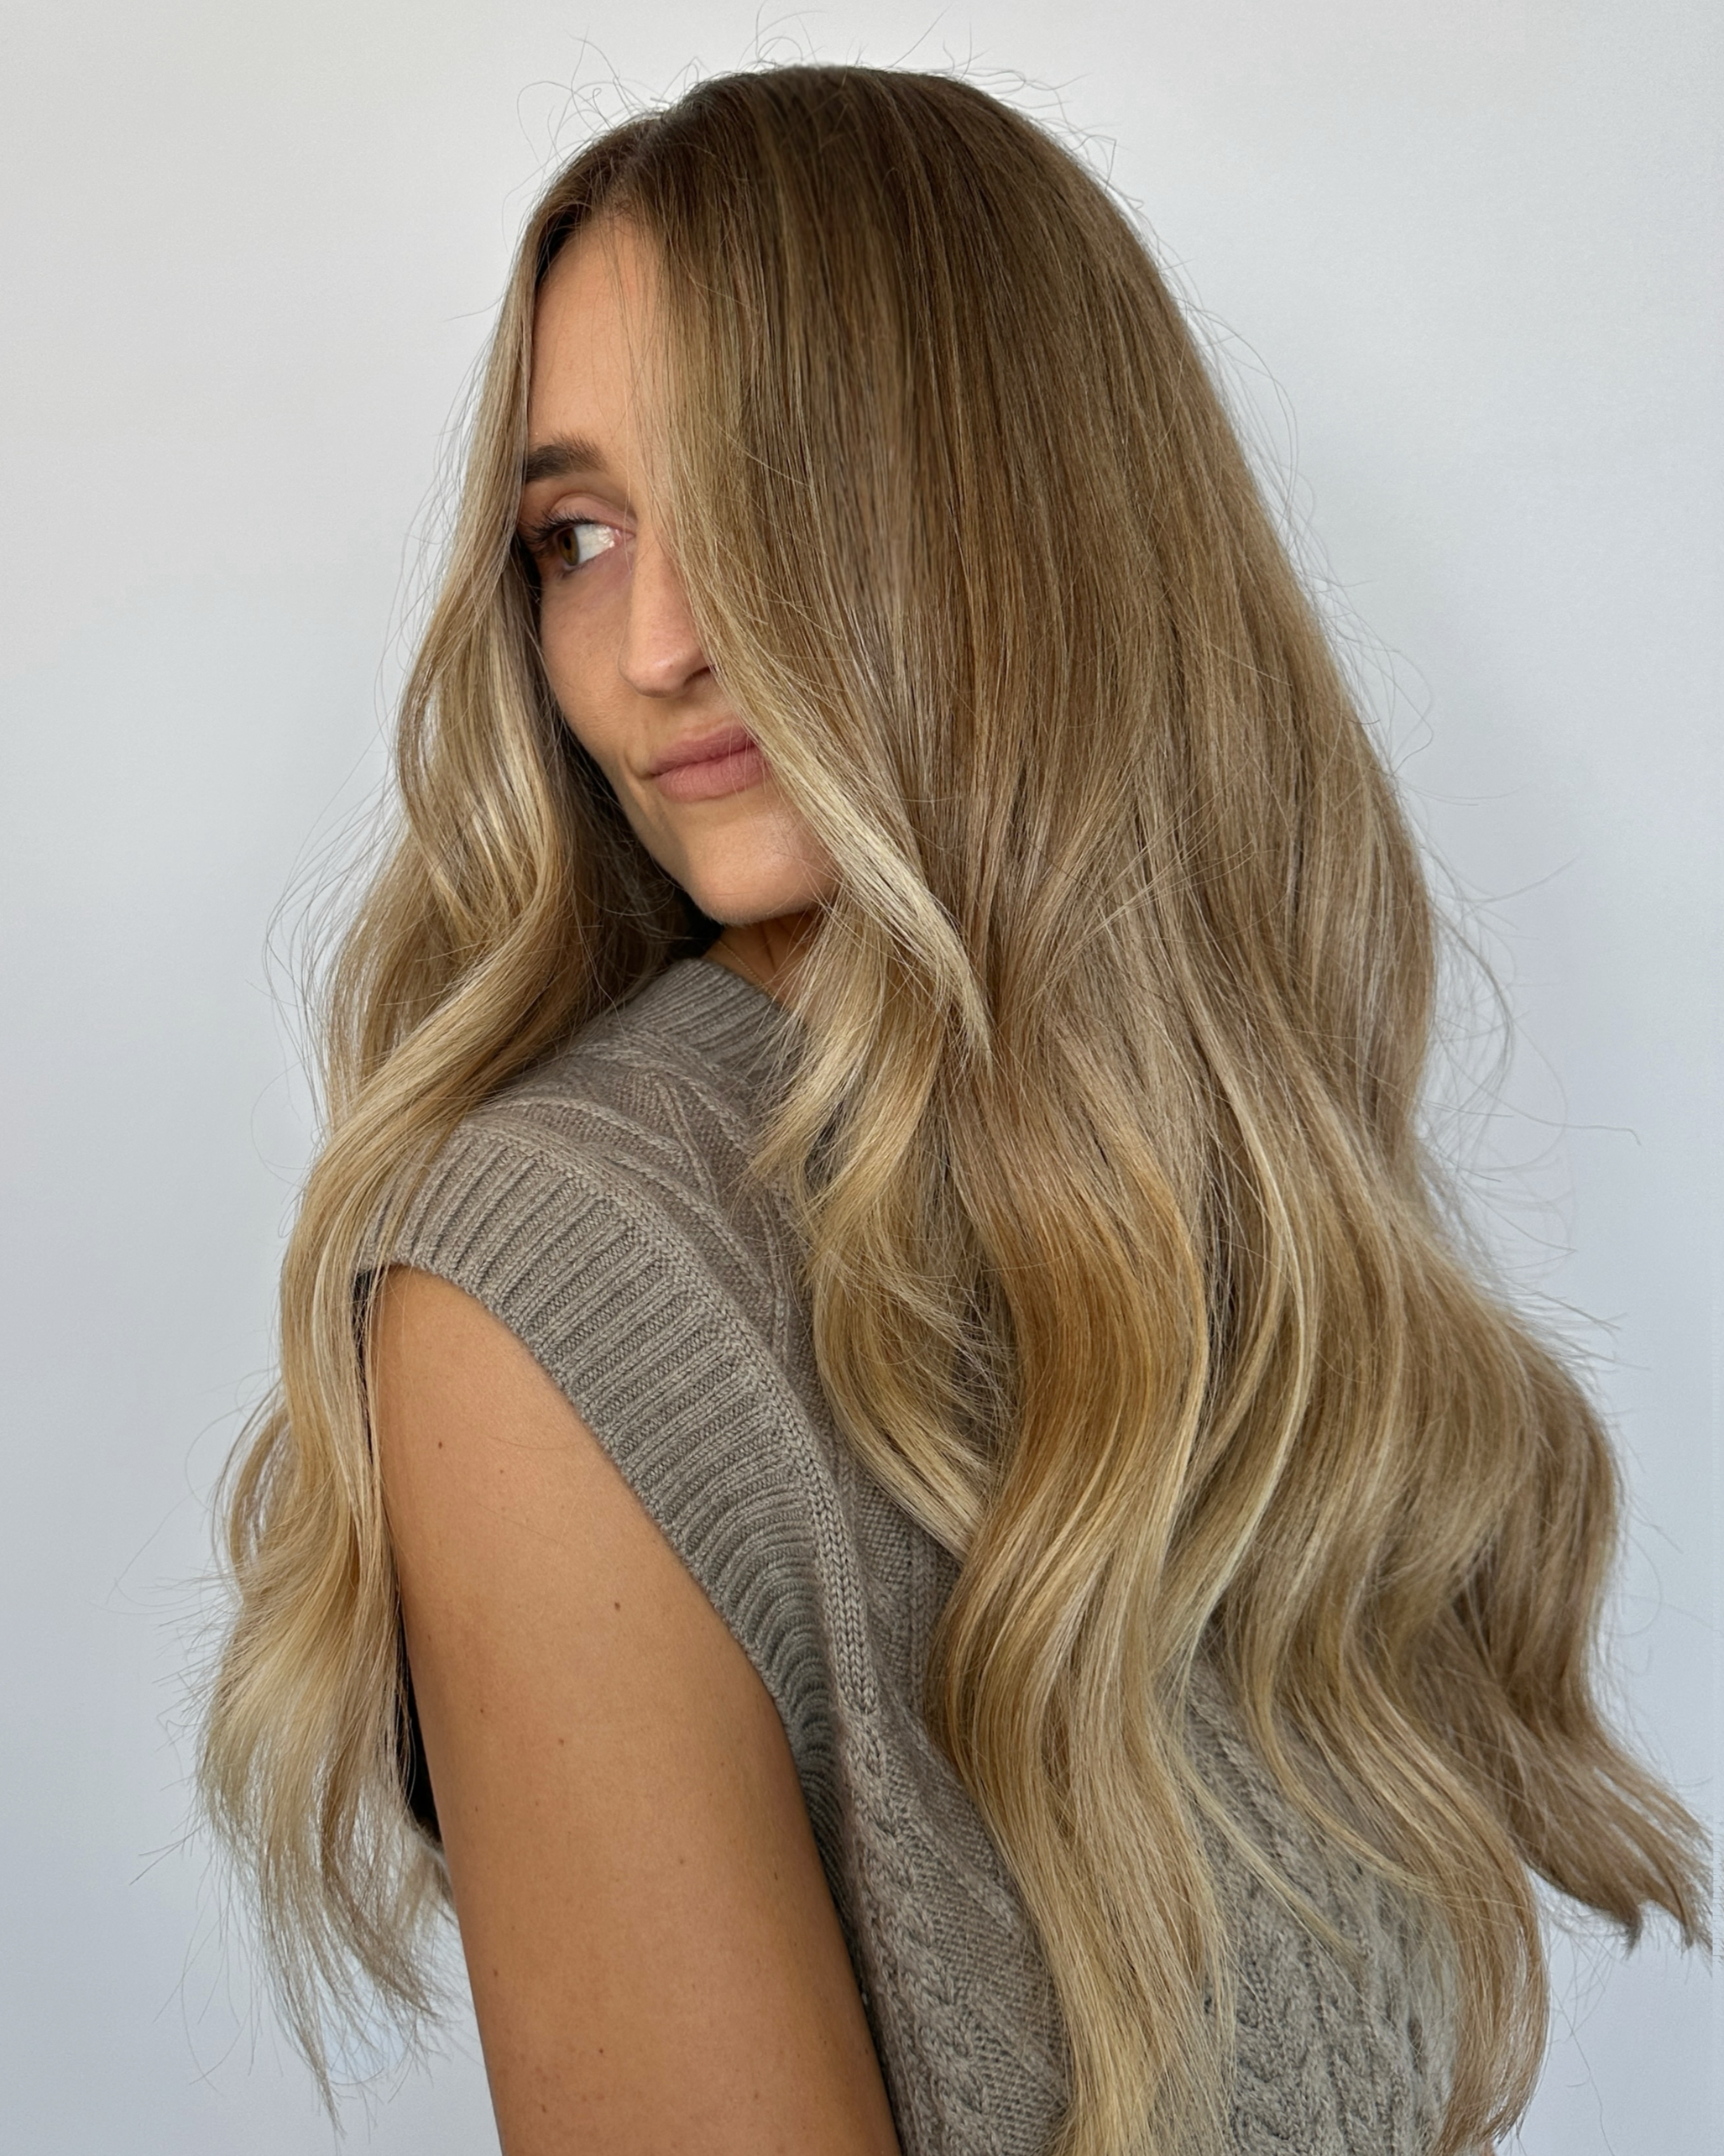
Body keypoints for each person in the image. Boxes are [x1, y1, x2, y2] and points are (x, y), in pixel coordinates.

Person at [196, 63, 1708, 2156]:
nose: (651, 642)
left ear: (1026, 512)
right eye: (578, 534)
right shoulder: (554, 1290)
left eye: (760, 503)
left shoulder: (1220, 1223)